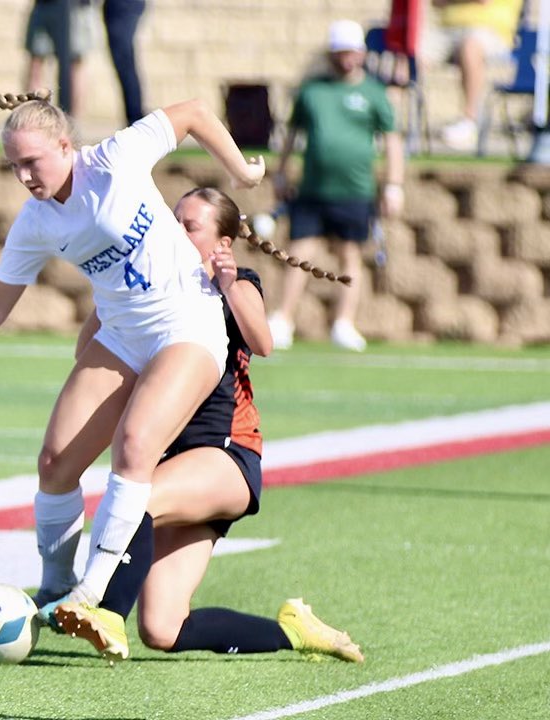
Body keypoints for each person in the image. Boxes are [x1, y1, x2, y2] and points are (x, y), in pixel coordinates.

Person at [0, 89, 265, 660]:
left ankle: (91, 595)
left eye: (32, 162)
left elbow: (193, 111)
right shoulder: (36, 221)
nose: (23, 176)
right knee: (55, 463)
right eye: (14, 166)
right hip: (121, 336)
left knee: (136, 447)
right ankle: (54, 588)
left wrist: (240, 170)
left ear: (66, 146)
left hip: (188, 326)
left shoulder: (114, 158)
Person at [53, 188, 363, 663]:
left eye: (189, 226)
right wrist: (115, 296)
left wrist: (228, 282)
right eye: (171, 221)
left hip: (226, 456)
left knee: (139, 499)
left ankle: (106, 612)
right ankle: (296, 632)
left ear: (223, 241)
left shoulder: (237, 283)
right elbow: (87, 354)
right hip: (177, 464)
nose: (174, 231)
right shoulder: (147, 287)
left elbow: (263, 341)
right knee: (163, 627)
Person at [267, 19, 405, 353]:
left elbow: (392, 141)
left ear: (361, 53)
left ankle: (344, 322)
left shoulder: (374, 92)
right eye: (340, 52)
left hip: (355, 190)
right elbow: (292, 135)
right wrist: (281, 173)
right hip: (313, 188)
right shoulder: (312, 91)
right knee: (300, 252)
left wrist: (394, 184)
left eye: (352, 52)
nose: (346, 58)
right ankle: (283, 319)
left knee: (349, 256)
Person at [427, 0, 524, 151]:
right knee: (408, 47)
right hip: (446, 30)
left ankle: (469, 121)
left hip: (491, 30)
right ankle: (385, 119)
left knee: (470, 46)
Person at [24, 0, 101, 115]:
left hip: (76, 8)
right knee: (37, 61)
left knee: (75, 64)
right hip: (44, 5)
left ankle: (71, 121)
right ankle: (33, 118)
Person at [102, 0, 147, 124]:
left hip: (123, 5)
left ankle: (135, 119)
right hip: (118, 6)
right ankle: (135, 119)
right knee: (124, 64)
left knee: (124, 63)